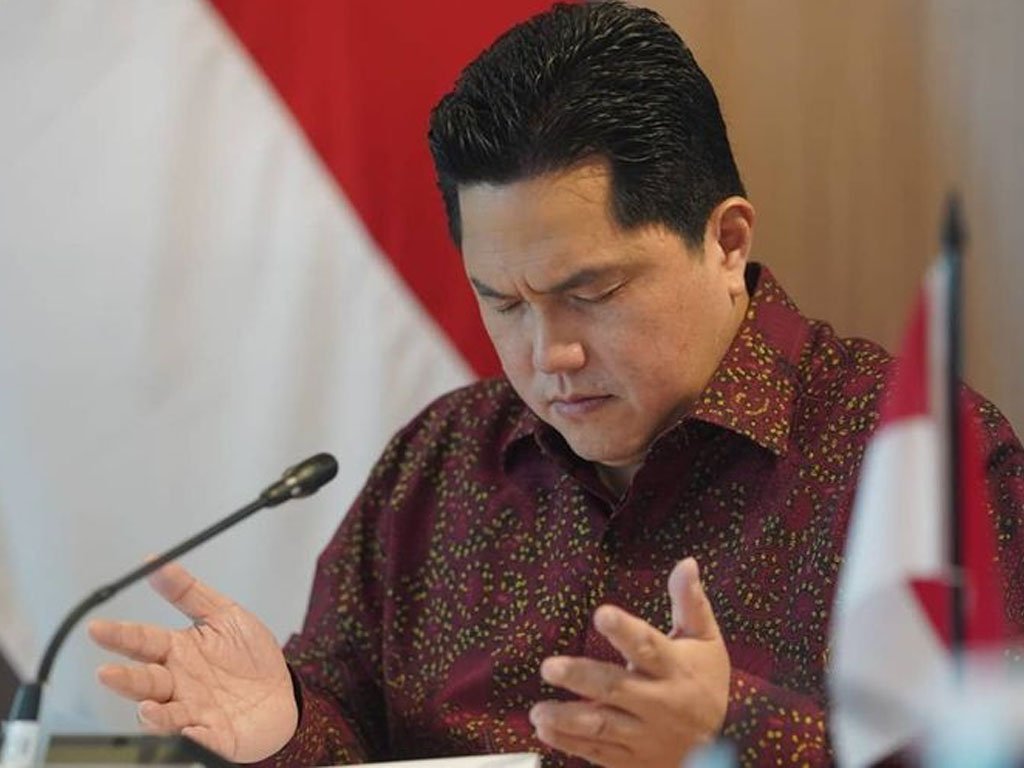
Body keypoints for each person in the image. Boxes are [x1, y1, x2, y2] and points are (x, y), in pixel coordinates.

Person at [87, 3, 1024, 766]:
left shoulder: (918, 462)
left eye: (592, 293)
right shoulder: (438, 465)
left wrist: (738, 742)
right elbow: (349, 724)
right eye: (503, 303)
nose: (549, 355)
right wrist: (287, 727)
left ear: (726, 241)